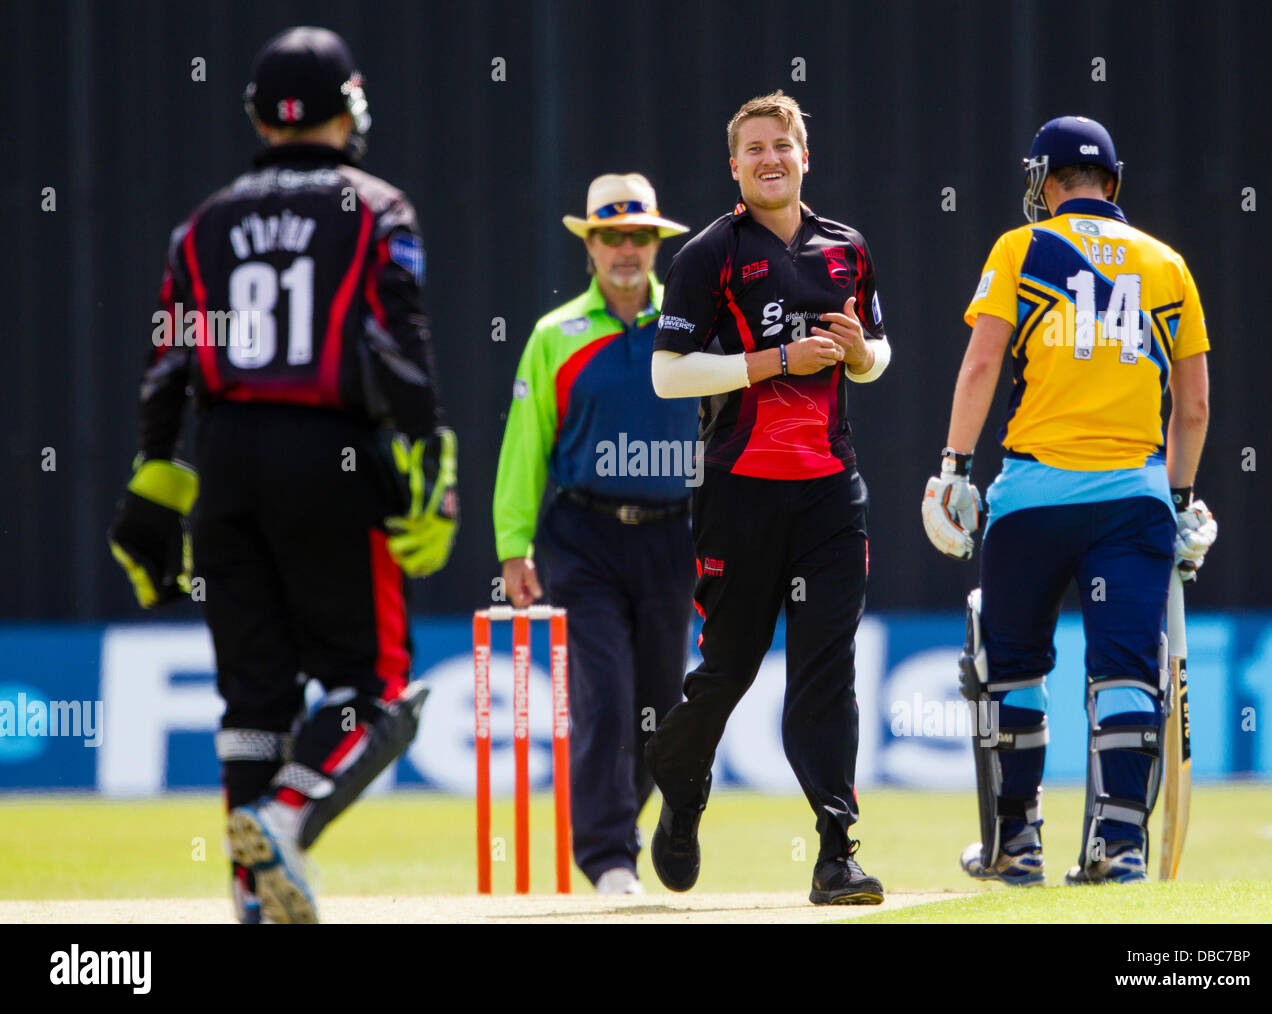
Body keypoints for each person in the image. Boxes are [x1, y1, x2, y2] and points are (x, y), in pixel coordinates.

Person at [107, 26, 458, 923]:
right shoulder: (376, 208)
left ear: (260, 119)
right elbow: (399, 345)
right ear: (347, 109)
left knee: (254, 698)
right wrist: (430, 461)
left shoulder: (203, 224)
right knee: (371, 688)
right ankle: (287, 814)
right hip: (327, 453)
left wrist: (154, 477)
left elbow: (166, 366)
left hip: (224, 461)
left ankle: (249, 896)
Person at [921, 115, 1218, 885]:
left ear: (1047, 185)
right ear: (1111, 184)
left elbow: (983, 363)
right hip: (1134, 500)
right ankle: (1118, 850)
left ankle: (1016, 848)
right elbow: (1192, 408)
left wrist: (953, 467)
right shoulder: (1167, 265)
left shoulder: (1021, 250)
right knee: (1123, 671)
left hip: (1032, 499)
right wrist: (1182, 496)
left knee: (1011, 666)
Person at [642, 91, 892, 906]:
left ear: (804, 156)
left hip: (829, 494)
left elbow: (877, 354)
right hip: (740, 494)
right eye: (753, 149)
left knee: (826, 675)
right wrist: (774, 361)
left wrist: (860, 355)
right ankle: (681, 792)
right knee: (728, 673)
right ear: (735, 166)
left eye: (781, 144)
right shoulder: (708, 253)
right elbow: (668, 374)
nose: (770, 158)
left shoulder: (847, 249)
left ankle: (835, 854)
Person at [493, 173, 698, 894]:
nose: (625, 250)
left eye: (638, 236)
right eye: (611, 236)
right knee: (605, 696)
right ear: (590, 247)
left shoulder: (691, 322)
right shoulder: (557, 336)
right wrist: (513, 547)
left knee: (662, 709)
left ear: (653, 245)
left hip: (674, 538)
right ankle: (609, 858)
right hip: (583, 536)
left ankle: (622, 831)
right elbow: (527, 444)